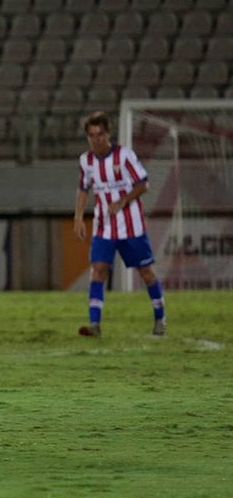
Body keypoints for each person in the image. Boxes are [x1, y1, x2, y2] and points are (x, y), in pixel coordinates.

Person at [73, 111, 166, 337]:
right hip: (103, 226)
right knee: (98, 270)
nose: (97, 140)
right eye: (92, 136)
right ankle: (94, 324)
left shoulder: (124, 156)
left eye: (100, 134)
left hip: (131, 225)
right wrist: (78, 217)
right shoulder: (86, 160)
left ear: (108, 134)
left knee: (145, 272)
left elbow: (144, 184)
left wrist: (123, 200)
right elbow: (83, 188)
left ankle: (160, 318)